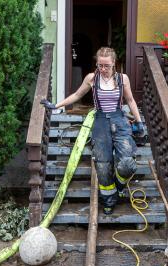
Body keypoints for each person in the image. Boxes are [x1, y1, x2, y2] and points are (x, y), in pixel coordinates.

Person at [41, 47, 144, 215]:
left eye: (106, 66)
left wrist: (139, 122)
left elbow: (131, 100)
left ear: (113, 64)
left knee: (127, 163)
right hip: (101, 122)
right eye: (100, 65)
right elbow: (76, 95)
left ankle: (119, 184)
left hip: (119, 121)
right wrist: (56, 106)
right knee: (103, 166)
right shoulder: (92, 78)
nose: (103, 69)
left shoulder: (122, 79)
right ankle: (109, 199)